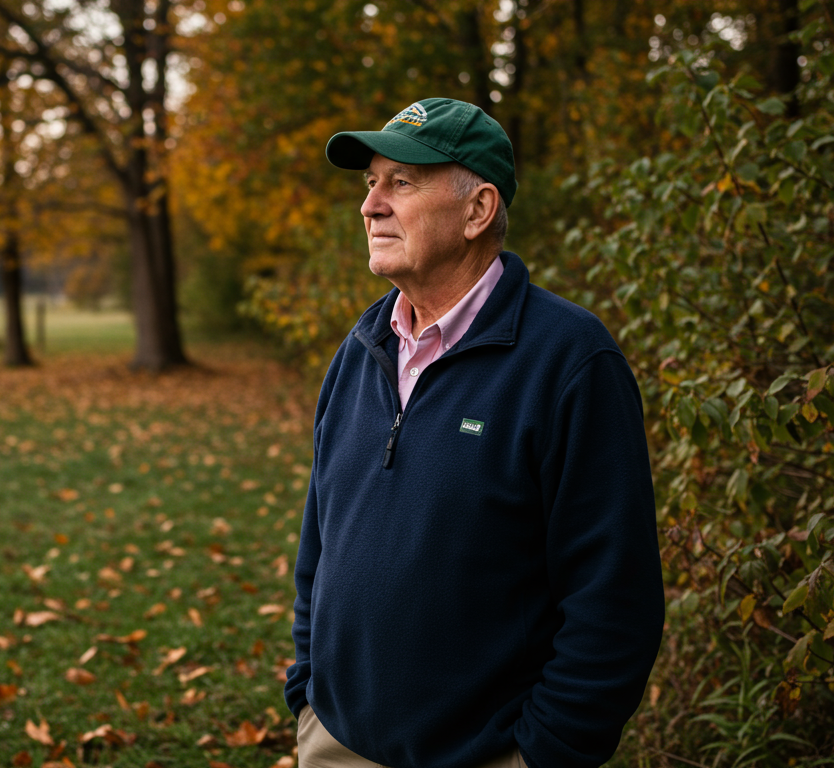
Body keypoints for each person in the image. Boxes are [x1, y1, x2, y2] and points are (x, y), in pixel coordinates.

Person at [285, 97, 664, 768]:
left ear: (477, 210)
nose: (370, 206)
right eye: (369, 183)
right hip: (335, 743)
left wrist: (544, 752)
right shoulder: (363, 348)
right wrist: (308, 692)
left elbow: (614, 598)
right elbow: (322, 537)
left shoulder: (570, 362)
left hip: (487, 754)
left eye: (401, 182)